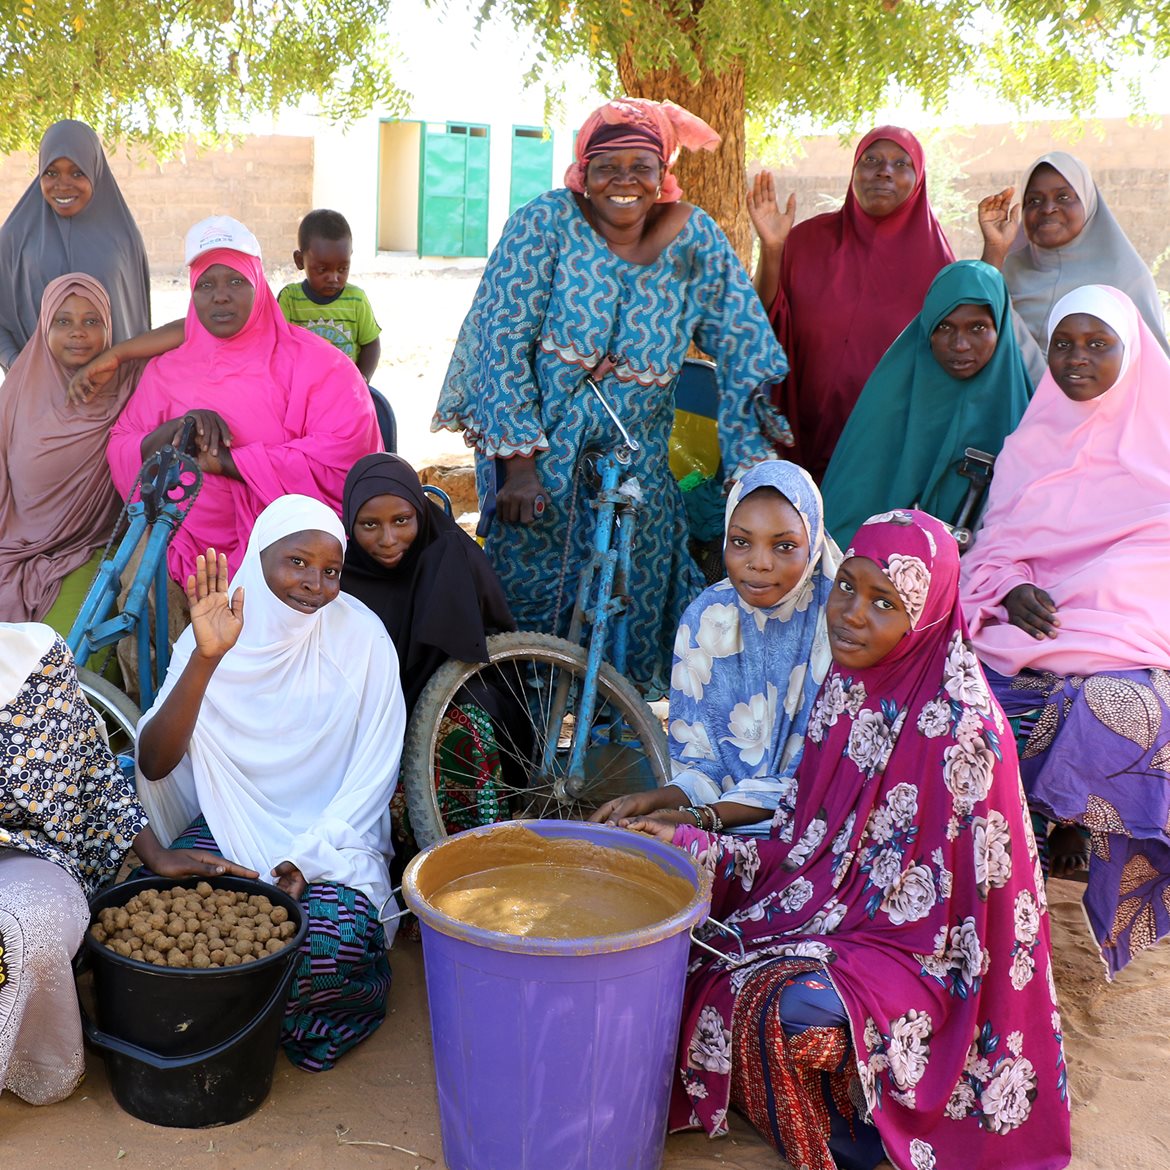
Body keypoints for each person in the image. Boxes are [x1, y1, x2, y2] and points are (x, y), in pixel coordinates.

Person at [628, 510, 1070, 1170]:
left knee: (780, 1009)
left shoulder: (963, 735)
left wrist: (829, 936)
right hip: (836, 919)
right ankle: (824, 1103)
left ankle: (849, 1140)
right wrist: (692, 843)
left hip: (925, 963)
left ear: (924, 616)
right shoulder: (849, 688)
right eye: (847, 587)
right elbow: (806, 846)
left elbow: (964, 935)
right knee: (697, 949)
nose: (851, 614)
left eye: (884, 602)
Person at [434, 97, 792, 697]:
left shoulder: (689, 235)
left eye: (641, 166)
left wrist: (773, 252)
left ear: (663, 174)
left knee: (629, 611)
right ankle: (528, 753)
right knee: (531, 615)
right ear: (582, 169)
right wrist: (520, 466)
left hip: (638, 462)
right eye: (607, 165)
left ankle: (606, 749)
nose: (624, 181)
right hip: (541, 455)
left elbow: (737, 326)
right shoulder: (543, 223)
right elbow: (501, 340)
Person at [134, 495, 406, 1071]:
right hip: (228, 825)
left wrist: (309, 857)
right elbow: (154, 763)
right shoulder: (218, 626)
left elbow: (373, 776)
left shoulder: (362, 639)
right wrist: (206, 659)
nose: (314, 584)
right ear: (259, 557)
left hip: (332, 839)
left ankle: (229, 1028)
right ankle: (221, 1024)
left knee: (325, 949)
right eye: (297, 563)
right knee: (156, 922)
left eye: (331, 570)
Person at [960, 284, 1170, 979]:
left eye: (1097, 343)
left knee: (1124, 715)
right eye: (1063, 344)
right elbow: (994, 547)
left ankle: (1078, 840)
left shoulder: (1161, 447)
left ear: (1130, 349)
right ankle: (1011, 869)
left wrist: (1098, 606)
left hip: (1128, 642)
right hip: (1033, 633)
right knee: (971, 707)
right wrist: (1012, 587)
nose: (1077, 358)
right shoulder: (1031, 442)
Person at [0, 622, 258, 1105]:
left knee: (28, 927)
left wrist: (155, 853)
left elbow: (91, 770)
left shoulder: (31, 662)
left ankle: (33, 1063)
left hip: (23, 855)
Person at [105, 215, 381, 589]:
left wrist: (230, 462)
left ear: (259, 285)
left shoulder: (322, 366)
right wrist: (176, 430)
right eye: (206, 284)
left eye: (236, 280)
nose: (220, 295)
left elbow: (345, 454)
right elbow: (122, 444)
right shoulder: (165, 372)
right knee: (141, 593)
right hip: (180, 548)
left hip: (288, 555)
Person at [592, 460, 840, 836]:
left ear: (815, 543)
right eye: (741, 542)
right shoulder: (710, 616)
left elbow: (824, 780)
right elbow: (701, 765)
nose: (759, 563)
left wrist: (698, 821)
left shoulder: (840, 623)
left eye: (785, 546)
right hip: (717, 826)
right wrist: (653, 800)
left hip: (820, 833)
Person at [749, 127, 954, 480]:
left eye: (901, 163)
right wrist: (771, 249)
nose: (884, 171)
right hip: (799, 435)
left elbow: (960, 354)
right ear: (854, 172)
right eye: (871, 160)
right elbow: (763, 316)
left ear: (918, 179)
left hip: (884, 455)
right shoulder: (806, 241)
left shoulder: (938, 265)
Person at [341, 453, 518, 838]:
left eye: (401, 521)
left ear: (420, 513)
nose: (388, 540)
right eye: (369, 525)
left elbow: (493, 652)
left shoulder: (452, 555)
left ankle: (479, 849)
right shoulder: (339, 577)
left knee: (466, 722)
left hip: (461, 698)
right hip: (373, 714)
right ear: (349, 523)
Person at [821, 260, 1034, 547]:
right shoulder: (888, 399)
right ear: (927, 328)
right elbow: (845, 516)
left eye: (978, 327)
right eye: (945, 326)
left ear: (1001, 329)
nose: (960, 344)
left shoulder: (1029, 411)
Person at [0, 274, 143, 629]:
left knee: (64, 651)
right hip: (12, 545)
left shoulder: (128, 380)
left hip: (88, 547)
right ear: (44, 326)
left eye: (91, 321)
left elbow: (193, 329)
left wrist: (118, 354)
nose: (78, 332)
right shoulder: (21, 385)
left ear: (109, 326)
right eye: (63, 321)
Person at [978, 151, 1169, 357]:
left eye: (1063, 197)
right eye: (1034, 201)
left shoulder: (1125, 276)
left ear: (1087, 203)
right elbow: (974, 331)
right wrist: (994, 248)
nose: (1048, 208)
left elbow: (1154, 363)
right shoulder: (1006, 269)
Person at [0, 120, 150, 371]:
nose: (63, 184)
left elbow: (137, 322)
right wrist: (18, 367)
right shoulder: (16, 236)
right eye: (51, 172)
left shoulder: (123, 239)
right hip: (38, 398)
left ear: (94, 171)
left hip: (113, 392)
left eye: (77, 172)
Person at [276, 210, 395, 452]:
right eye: (323, 270)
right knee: (305, 449)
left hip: (345, 397)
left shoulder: (356, 300)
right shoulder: (289, 299)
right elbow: (278, 345)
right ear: (300, 261)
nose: (334, 278)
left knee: (347, 449)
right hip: (301, 398)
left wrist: (362, 380)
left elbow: (371, 343)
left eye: (343, 269)